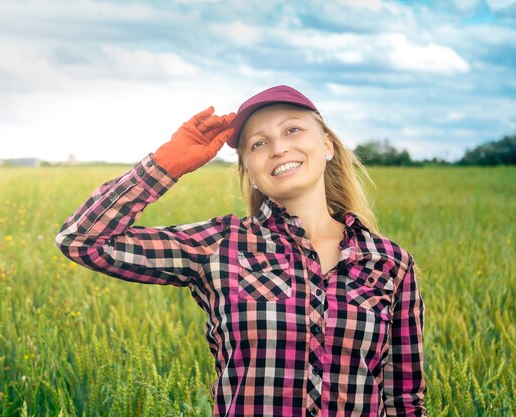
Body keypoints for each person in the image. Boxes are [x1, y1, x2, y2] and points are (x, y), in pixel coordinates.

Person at [55, 85, 427, 416]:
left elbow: (404, 401)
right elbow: (82, 240)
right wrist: (166, 164)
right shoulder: (220, 246)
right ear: (249, 167)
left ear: (327, 144)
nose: (279, 147)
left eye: (292, 130)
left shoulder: (390, 263)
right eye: (258, 144)